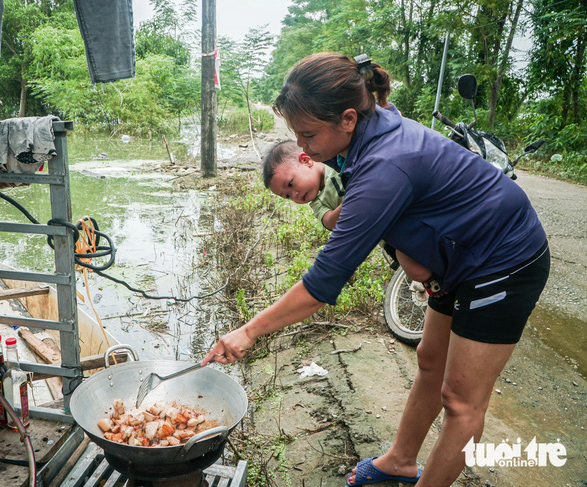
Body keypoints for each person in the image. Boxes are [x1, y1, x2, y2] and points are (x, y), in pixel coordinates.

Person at [202, 52, 550, 487]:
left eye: (307, 135)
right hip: (458, 258)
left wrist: (249, 330)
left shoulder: (383, 166)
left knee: (460, 401)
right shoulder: (366, 131)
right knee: (428, 359)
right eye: (296, 135)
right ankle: (401, 461)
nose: (304, 148)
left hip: (503, 260)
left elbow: (325, 280)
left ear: (347, 118)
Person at [262, 140, 434, 284]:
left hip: (399, 209)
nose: (295, 195)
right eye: (287, 196)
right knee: (417, 272)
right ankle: (436, 285)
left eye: (291, 185)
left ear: (306, 160)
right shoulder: (317, 203)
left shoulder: (335, 162)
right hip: (388, 236)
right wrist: (354, 200)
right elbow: (329, 221)